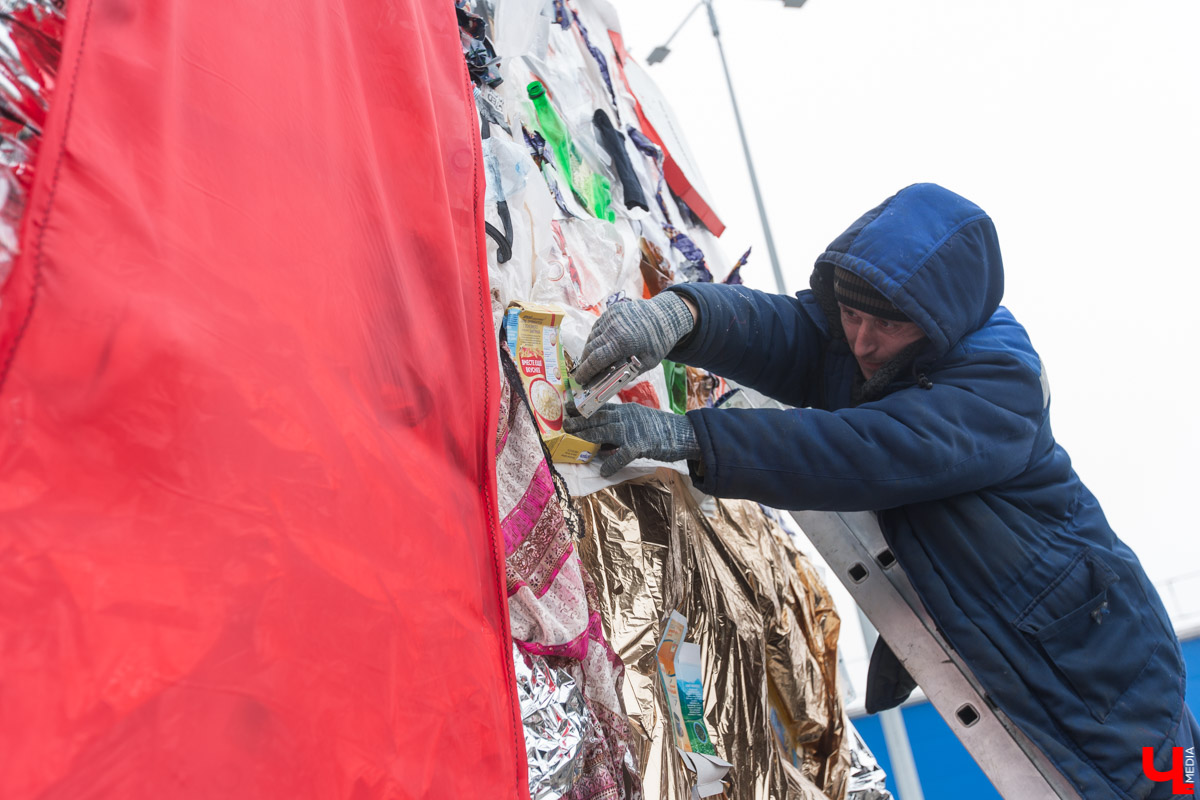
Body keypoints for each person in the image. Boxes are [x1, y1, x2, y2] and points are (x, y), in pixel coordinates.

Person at [564, 183, 1196, 799]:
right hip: (1036, 654)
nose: (862, 341)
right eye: (851, 314)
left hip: (1109, 671)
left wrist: (693, 437)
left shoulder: (1001, 382)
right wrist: (685, 314)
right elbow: (788, 333)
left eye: (886, 325)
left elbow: (866, 450)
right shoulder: (872, 341)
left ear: (938, 322)